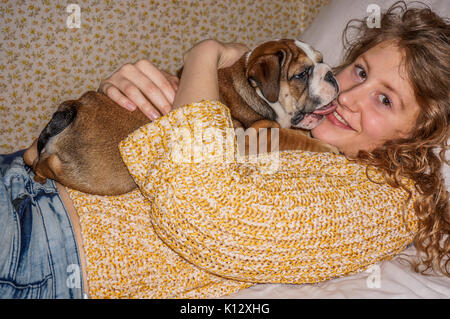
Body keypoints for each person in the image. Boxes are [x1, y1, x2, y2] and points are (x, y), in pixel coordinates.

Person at [0, 1, 448, 299]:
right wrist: (127, 95)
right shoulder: (306, 131)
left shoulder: (385, 200)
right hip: (27, 176)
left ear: (420, 134)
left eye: (385, 100)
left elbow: (203, 208)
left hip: (43, 246)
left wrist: (205, 55)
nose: (349, 95)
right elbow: (183, 141)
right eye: (361, 71)